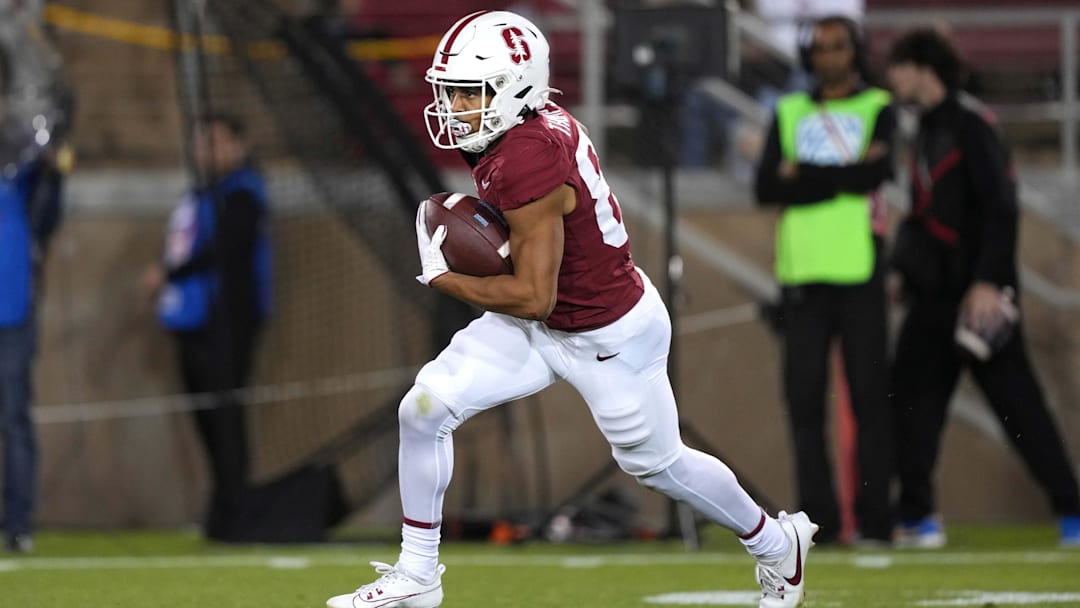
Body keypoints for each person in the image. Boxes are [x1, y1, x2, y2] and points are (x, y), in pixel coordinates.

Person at [326, 10, 817, 608]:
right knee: (424, 408)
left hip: (605, 331)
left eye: (468, 92)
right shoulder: (525, 129)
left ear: (515, 89)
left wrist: (443, 276)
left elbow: (536, 296)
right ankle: (418, 576)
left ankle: (775, 543)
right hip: (543, 323)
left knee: (660, 465)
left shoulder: (528, 154)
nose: (454, 107)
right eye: (450, 92)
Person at [886, 28, 1080, 548]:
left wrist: (990, 281)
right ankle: (917, 515)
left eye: (899, 66)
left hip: (978, 297)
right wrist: (909, 274)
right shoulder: (924, 126)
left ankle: (1072, 510)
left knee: (1019, 406)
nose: (892, 78)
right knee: (909, 399)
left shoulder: (972, 124)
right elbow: (933, 213)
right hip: (933, 296)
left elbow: (1001, 206)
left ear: (924, 67)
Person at [753, 15, 894, 546]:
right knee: (804, 403)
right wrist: (842, 179)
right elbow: (766, 187)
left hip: (861, 271)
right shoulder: (788, 110)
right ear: (809, 55)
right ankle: (821, 524)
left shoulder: (878, 107)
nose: (831, 57)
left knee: (870, 400)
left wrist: (804, 175)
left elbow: (874, 176)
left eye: (840, 47)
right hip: (801, 274)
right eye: (822, 48)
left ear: (855, 51)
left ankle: (877, 521)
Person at [141, 113, 272, 542]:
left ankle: (236, 512)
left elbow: (227, 250)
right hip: (193, 322)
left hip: (228, 322)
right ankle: (222, 509)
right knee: (206, 418)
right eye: (201, 143)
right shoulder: (202, 194)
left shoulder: (244, 193)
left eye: (215, 142)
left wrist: (170, 272)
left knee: (226, 418)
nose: (206, 151)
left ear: (239, 144)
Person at [0, 43, 66, 554]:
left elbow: (46, 219)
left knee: (14, 416)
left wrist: (54, 170)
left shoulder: (21, 162)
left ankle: (18, 524)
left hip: (12, 309)